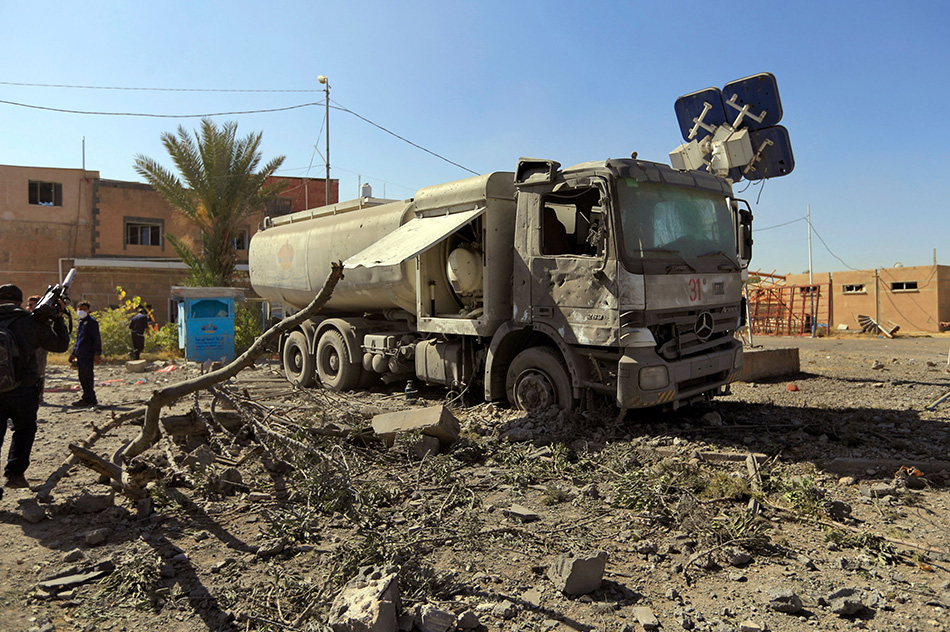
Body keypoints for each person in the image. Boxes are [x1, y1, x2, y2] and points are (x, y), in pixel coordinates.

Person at [0, 284, 70, 490]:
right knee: (24, 430)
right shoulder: (29, 322)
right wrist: (58, 317)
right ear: (20, 302)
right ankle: (15, 474)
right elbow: (60, 345)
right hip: (24, 388)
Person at [68, 301, 102, 407]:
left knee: (87, 376)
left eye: (84, 309)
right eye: (80, 309)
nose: (81, 311)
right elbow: (79, 340)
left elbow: (96, 339)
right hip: (81, 354)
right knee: (82, 377)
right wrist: (74, 353)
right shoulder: (81, 322)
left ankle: (88, 399)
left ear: (88, 310)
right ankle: (90, 397)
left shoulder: (92, 323)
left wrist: (97, 354)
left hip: (88, 354)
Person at [26, 295, 48, 405]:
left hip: (40, 347)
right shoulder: (27, 316)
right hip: (28, 347)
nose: (29, 307)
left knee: (39, 372)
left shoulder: (42, 318)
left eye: (31, 305)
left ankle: (39, 396)